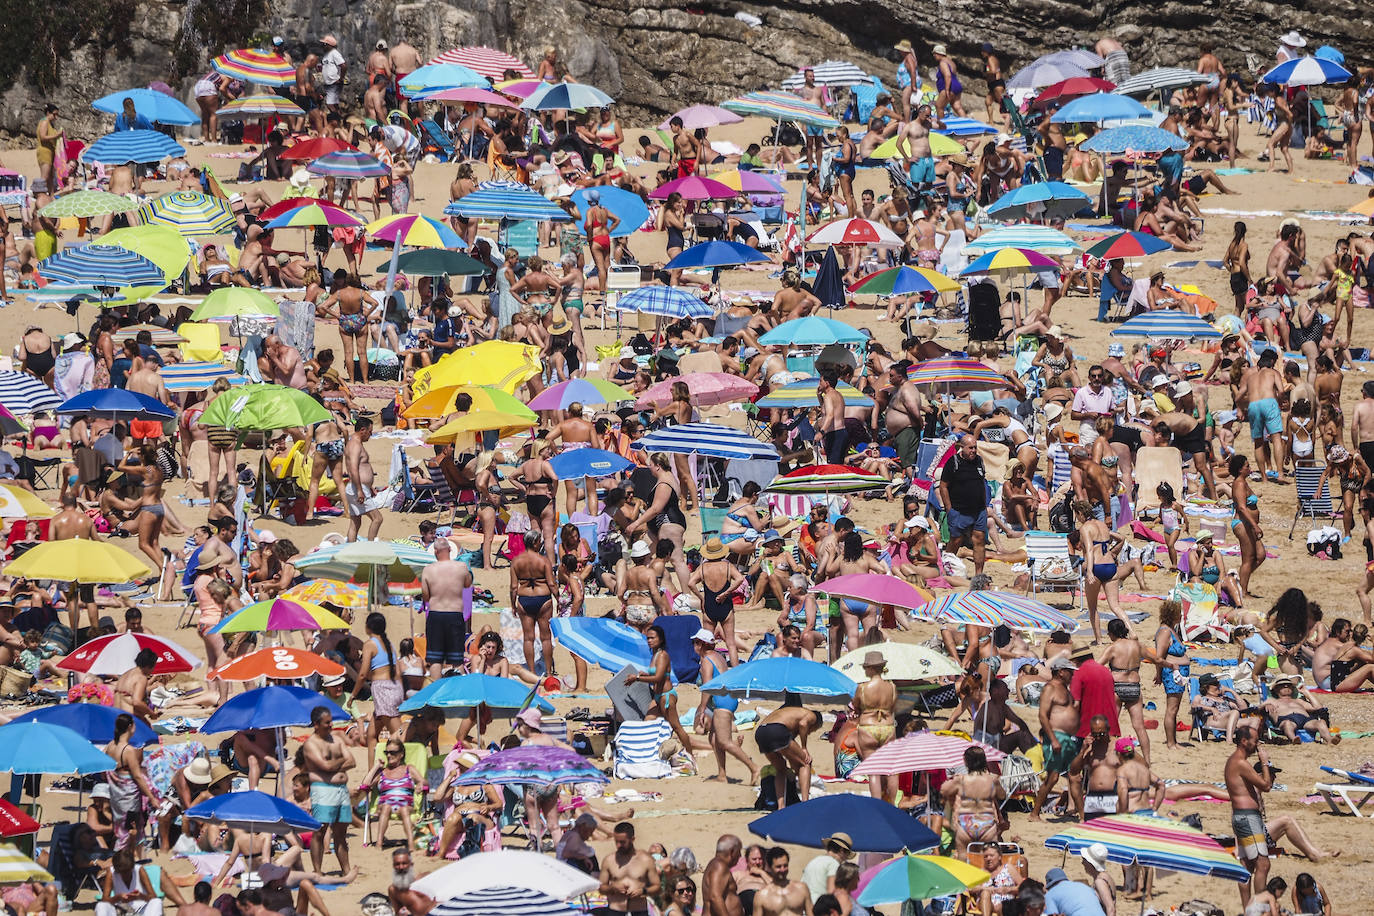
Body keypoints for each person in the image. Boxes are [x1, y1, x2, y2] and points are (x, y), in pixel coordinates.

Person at [692, 629, 759, 784]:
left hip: (722, 701)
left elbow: (708, 685)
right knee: (714, 739)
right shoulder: (718, 656)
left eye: (695, 643)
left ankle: (753, 767)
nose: (694, 646)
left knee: (724, 741)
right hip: (728, 698)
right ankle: (722, 774)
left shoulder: (706, 659)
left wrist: (702, 709)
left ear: (702, 644)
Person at [303, 704, 354, 877]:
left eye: (331, 722)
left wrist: (333, 766)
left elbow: (352, 761)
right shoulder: (311, 744)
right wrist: (339, 761)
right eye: (327, 723)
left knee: (341, 832)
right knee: (320, 831)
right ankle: (317, 870)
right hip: (322, 790)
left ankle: (346, 870)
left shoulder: (337, 739)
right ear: (316, 724)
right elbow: (324, 766)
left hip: (340, 789)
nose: (331, 725)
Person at [1226, 726, 1274, 908]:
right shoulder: (1241, 763)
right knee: (1263, 864)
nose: (1257, 744)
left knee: (1246, 866)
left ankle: (1248, 909)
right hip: (1248, 818)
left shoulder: (1234, 761)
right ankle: (1258, 909)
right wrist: (1265, 762)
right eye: (1255, 740)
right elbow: (1266, 785)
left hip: (1241, 817)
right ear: (1244, 741)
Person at [1032, 657, 1080, 820]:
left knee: (1075, 775)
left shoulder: (1065, 688)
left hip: (1069, 737)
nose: (1072, 675)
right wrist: (1053, 739)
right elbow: (1043, 715)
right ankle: (1034, 813)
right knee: (1053, 776)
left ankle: (1081, 815)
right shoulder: (1050, 688)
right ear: (1061, 672)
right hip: (1056, 736)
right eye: (1070, 672)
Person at [755, 693, 823, 808]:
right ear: (816, 724)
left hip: (761, 732)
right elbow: (803, 723)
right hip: (776, 730)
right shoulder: (811, 715)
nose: (810, 732)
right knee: (806, 763)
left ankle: (781, 807)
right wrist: (804, 747)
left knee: (781, 769)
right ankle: (805, 804)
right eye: (813, 730)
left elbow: (789, 750)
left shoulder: (788, 713)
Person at [420, 538, 472, 678]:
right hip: (454, 614)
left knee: (436, 660)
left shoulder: (428, 570)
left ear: (435, 552)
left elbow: (425, 596)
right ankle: (460, 693)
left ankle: (435, 694)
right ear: (450, 550)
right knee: (457, 659)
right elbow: (468, 584)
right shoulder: (461, 567)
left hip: (436, 614)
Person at [938, 435, 989, 576]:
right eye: (970, 448)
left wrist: (984, 504)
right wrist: (949, 508)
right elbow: (943, 486)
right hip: (959, 510)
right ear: (962, 447)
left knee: (979, 540)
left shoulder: (979, 461)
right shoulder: (953, 462)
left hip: (978, 510)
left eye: (975, 447)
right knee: (956, 540)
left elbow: (982, 482)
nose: (973, 450)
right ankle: (947, 569)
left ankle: (979, 574)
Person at [598, 822, 660, 916]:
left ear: (632, 839)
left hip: (639, 910)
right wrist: (613, 888)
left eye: (622, 842)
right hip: (615, 910)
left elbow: (657, 886)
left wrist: (643, 891)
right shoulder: (609, 860)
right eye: (616, 842)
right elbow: (601, 888)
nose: (618, 845)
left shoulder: (646, 860)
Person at [95, 847, 161, 916]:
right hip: (121, 910)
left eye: (127, 872)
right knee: (101, 906)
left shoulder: (139, 870)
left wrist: (140, 896)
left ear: (132, 868)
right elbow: (104, 900)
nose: (125, 875)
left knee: (157, 902)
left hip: (142, 910)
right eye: (122, 872)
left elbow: (153, 896)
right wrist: (118, 897)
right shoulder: (112, 872)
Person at [755, 847, 811, 916]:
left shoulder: (801, 888)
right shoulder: (761, 896)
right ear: (769, 867)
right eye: (778, 867)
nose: (783, 870)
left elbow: (811, 913)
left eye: (785, 866)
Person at [801, 834, 853, 903]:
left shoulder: (814, 861)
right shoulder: (833, 864)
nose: (846, 858)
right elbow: (831, 891)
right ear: (841, 851)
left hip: (806, 907)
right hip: (820, 908)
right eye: (848, 853)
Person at [702, 834, 743, 916]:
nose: (740, 855)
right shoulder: (719, 866)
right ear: (732, 851)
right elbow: (715, 897)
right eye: (739, 851)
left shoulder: (715, 864)